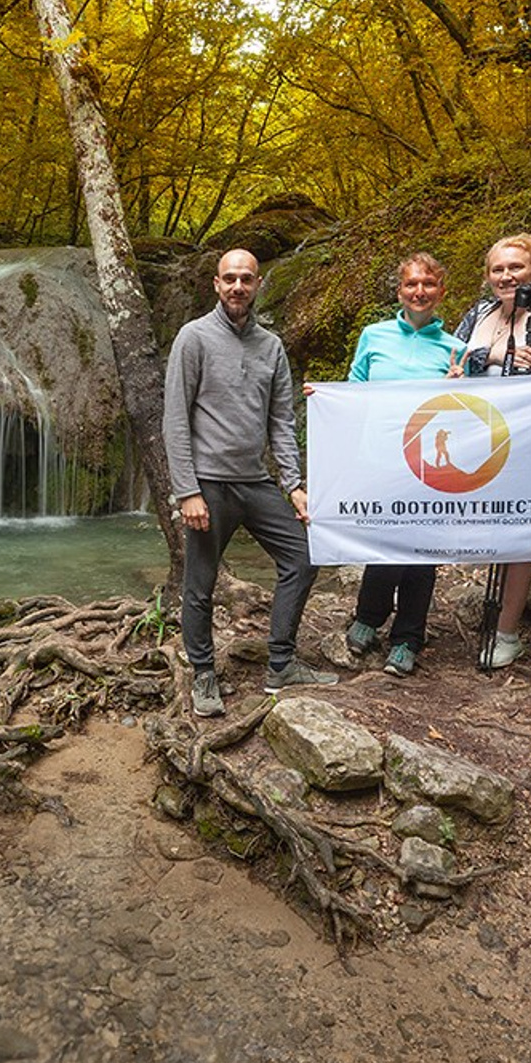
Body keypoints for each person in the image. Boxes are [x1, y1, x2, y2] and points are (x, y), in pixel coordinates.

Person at [162, 247, 334, 718]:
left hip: (255, 481)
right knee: (200, 584)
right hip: (208, 484)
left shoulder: (271, 346)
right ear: (216, 284)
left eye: (246, 279)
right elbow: (175, 419)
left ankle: (281, 663)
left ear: (258, 285)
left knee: (303, 556)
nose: (238, 286)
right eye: (230, 278)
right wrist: (187, 491)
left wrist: (293, 485)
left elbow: (281, 421)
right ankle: (203, 674)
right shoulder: (193, 337)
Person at [453, 233, 531, 668]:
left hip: (528, 442)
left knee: (517, 533)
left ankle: (506, 632)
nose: (506, 276)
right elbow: (452, 363)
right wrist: (491, 356)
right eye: (498, 269)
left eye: (516, 267)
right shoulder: (477, 315)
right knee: (485, 526)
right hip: (475, 438)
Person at [344, 252, 464, 677]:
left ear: (441, 292)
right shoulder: (373, 336)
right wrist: (323, 400)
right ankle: (368, 616)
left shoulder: (455, 348)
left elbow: (464, 413)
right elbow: (354, 390)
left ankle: (408, 637)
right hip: (381, 456)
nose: (419, 291)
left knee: (422, 550)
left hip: (429, 462)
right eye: (411, 284)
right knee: (385, 538)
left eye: (428, 284)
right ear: (399, 291)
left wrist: (457, 387)